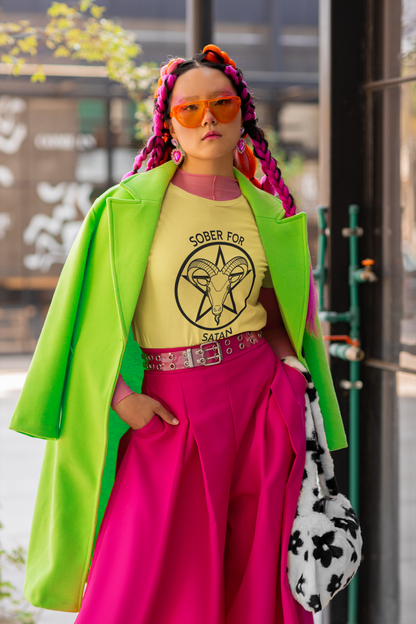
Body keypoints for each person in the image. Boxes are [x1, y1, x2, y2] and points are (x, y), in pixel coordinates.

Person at [9, 45, 347, 624]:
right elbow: (88, 321)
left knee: (257, 577)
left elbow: (282, 307)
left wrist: (291, 372)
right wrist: (123, 400)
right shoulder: (126, 209)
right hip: (168, 405)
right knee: (140, 578)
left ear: (244, 113)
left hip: (262, 398)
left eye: (221, 104)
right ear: (167, 123)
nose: (208, 119)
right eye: (190, 110)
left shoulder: (274, 213)